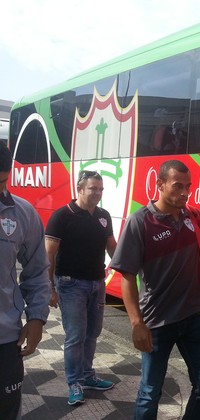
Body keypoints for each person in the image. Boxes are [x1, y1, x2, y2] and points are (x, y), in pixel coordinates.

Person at [110, 160, 200, 419]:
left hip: (194, 317)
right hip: (157, 323)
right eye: (177, 186)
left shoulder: (194, 216)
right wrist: (137, 324)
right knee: (150, 392)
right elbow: (127, 276)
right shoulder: (140, 222)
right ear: (160, 184)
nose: (184, 192)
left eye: (188, 186)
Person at [45, 170, 118, 405]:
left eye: (100, 189)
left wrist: (131, 268)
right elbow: (49, 255)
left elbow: (112, 249)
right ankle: (74, 382)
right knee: (75, 336)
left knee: (92, 334)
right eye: (92, 188)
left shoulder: (104, 216)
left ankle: (88, 376)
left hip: (97, 284)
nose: (97, 193)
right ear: (80, 189)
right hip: (70, 284)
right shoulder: (62, 216)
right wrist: (50, 288)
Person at [0, 145, 51, 419]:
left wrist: (36, 317)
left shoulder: (22, 213)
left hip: (6, 340)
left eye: (2, 182)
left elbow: (37, 269)